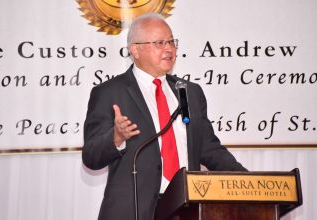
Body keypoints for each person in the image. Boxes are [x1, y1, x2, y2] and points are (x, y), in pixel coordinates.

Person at [82, 13, 247, 220]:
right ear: (135, 50)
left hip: (186, 209)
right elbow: (91, 156)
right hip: (132, 211)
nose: (169, 48)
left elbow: (209, 148)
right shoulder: (109, 93)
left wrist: (247, 181)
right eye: (160, 42)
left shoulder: (189, 92)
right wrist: (115, 138)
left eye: (171, 41)